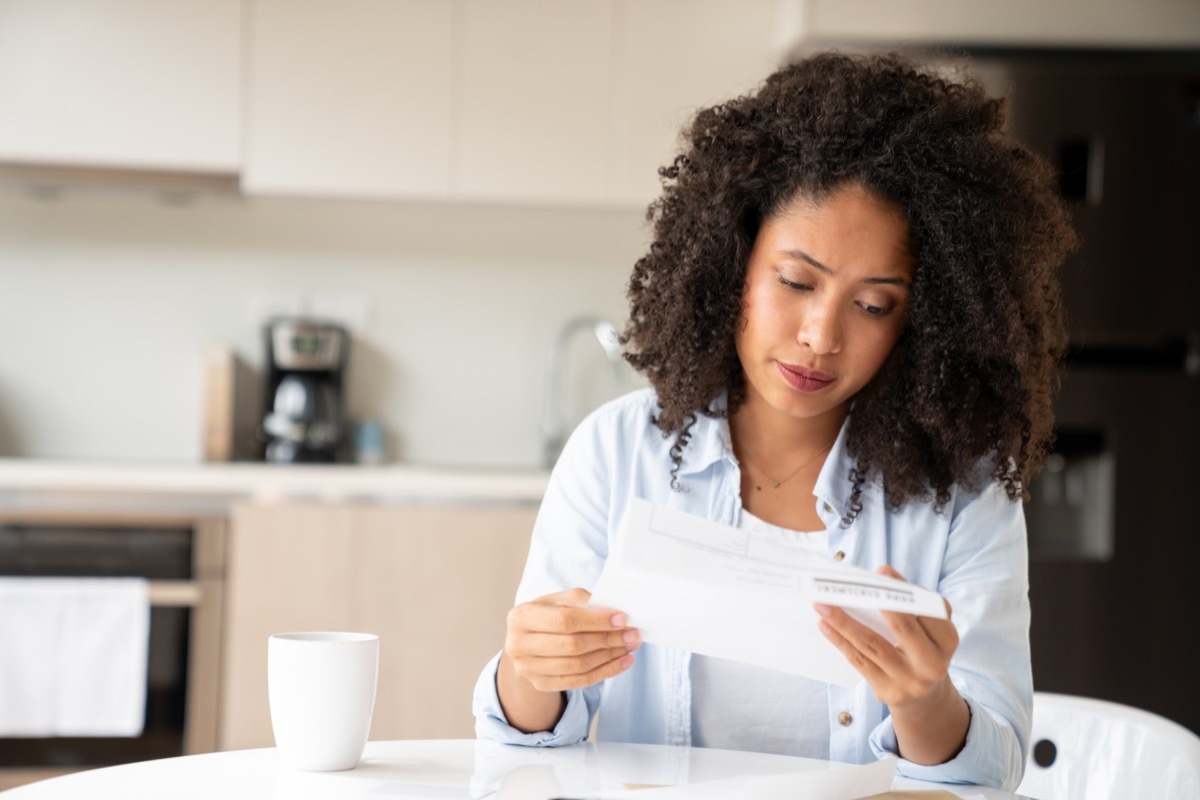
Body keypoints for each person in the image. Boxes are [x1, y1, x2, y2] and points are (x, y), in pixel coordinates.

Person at [472, 50, 1076, 790]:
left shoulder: (965, 492)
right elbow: (520, 740)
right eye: (795, 282)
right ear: (731, 265)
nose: (822, 335)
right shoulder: (617, 452)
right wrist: (531, 665)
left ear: (923, 322)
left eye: (874, 304)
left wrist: (926, 701)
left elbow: (994, 771)